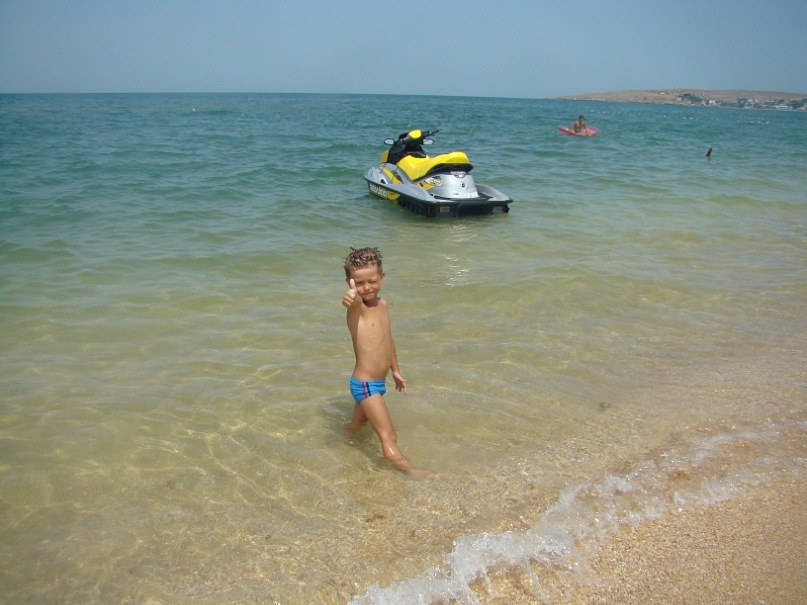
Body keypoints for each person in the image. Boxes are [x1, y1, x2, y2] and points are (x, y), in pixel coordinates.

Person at [341, 247, 414, 473]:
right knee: (388, 435)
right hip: (365, 385)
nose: (366, 288)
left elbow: (387, 339)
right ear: (350, 282)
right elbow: (352, 301)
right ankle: (413, 473)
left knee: (357, 426)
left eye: (372, 281)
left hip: (378, 383)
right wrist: (350, 297)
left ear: (382, 277)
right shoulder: (358, 309)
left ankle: (340, 449)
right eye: (358, 283)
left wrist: (395, 370)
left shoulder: (383, 305)